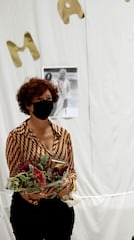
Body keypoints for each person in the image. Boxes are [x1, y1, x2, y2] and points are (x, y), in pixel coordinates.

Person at [6, 77, 77, 240]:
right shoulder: (16, 136)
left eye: (49, 99)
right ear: (28, 105)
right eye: (39, 100)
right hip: (29, 209)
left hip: (60, 208)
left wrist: (69, 184)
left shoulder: (64, 134)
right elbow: (15, 177)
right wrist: (30, 194)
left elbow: (71, 171)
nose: (45, 103)